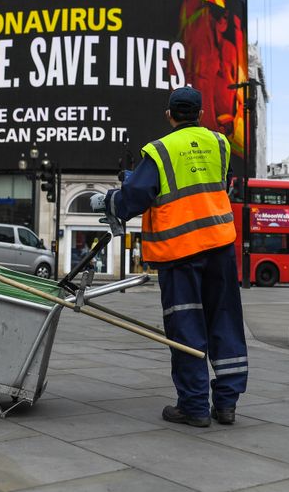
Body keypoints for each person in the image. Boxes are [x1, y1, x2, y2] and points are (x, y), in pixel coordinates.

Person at [94, 86, 248, 427]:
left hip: (180, 254)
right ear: (201, 114)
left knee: (187, 326)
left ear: (169, 115)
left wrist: (111, 200)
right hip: (220, 247)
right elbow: (211, 184)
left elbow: (135, 198)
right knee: (225, 320)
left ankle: (193, 407)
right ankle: (226, 405)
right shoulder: (220, 144)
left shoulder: (159, 150)